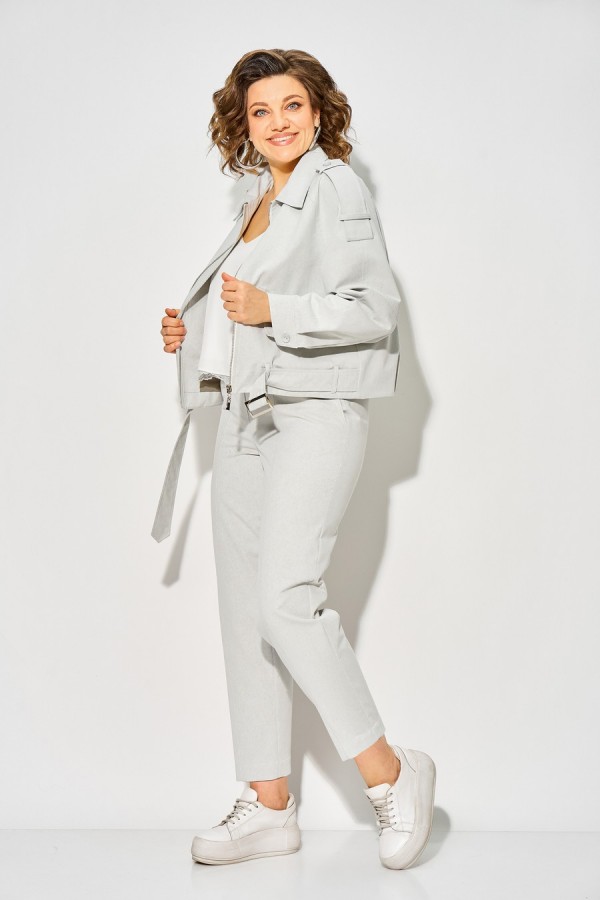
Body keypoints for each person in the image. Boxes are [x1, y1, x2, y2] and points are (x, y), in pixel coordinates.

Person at [156, 48, 436, 870]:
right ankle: (269, 803)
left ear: (318, 113)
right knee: (247, 612)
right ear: (242, 126)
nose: (277, 122)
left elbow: (373, 306)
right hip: (247, 415)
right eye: (260, 111)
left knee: (286, 601)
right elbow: (244, 313)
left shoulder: (336, 187)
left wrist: (270, 308)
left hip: (315, 412)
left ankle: (391, 774)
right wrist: (195, 334)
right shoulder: (256, 197)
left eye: (291, 106)